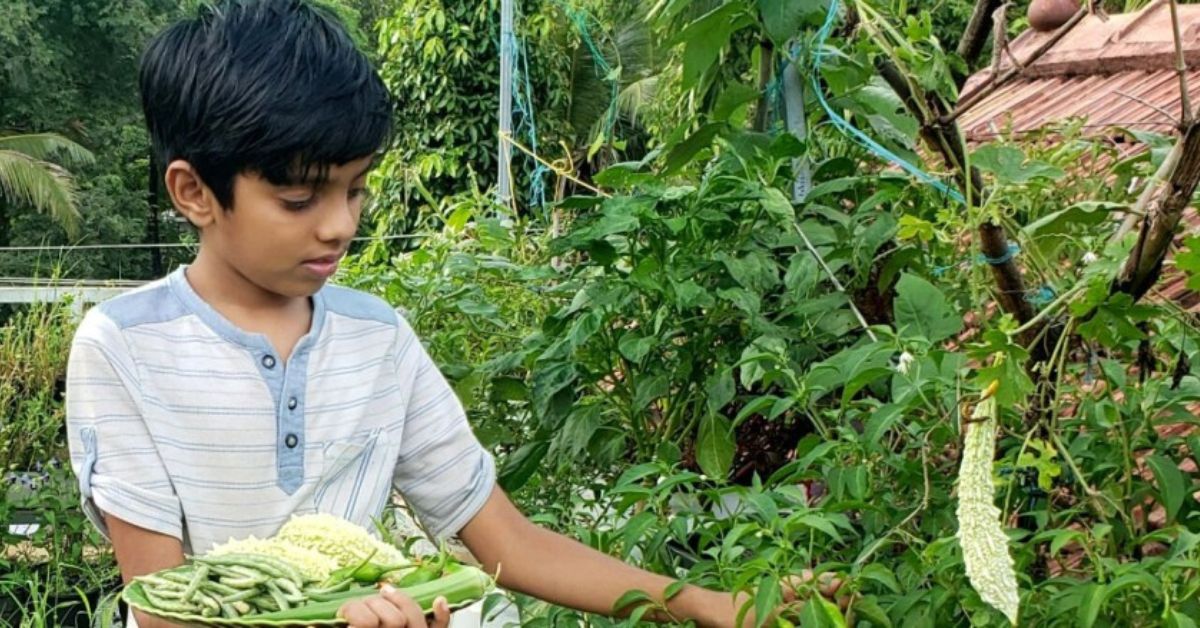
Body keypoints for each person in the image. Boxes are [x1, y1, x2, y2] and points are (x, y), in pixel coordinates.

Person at [65, 2, 837, 626]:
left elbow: (507, 542)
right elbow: (166, 607)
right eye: (300, 198)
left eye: (356, 188)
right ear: (194, 192)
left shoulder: (378, 339)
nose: (338, 224)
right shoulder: (126, 347)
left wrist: (707, 606)